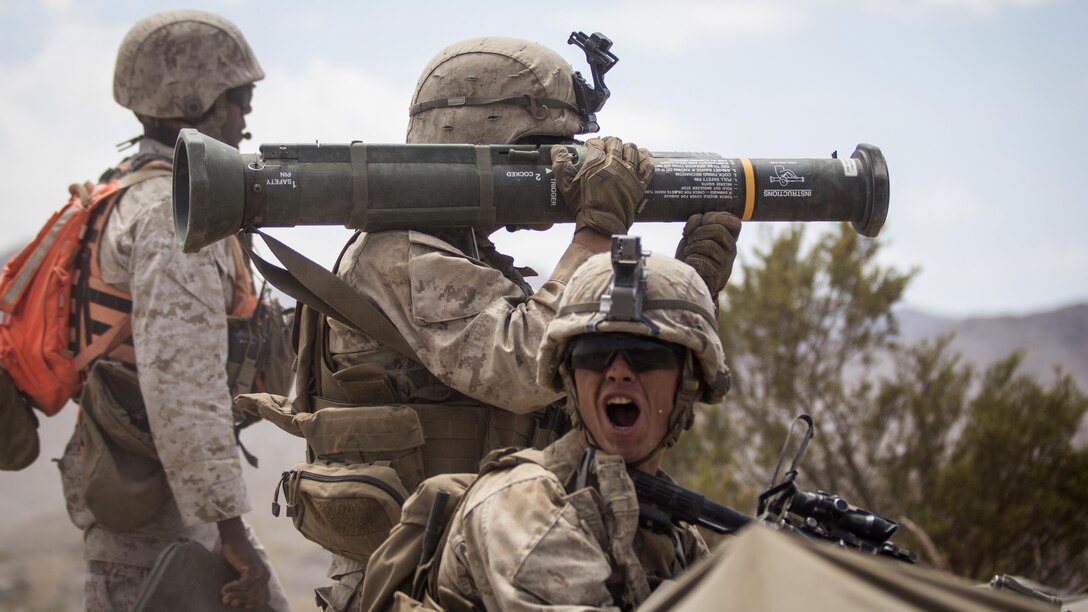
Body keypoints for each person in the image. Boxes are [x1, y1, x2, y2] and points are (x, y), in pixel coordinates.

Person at [54, 10, 289, 611]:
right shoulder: (172, 216)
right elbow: (182, 388)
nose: (246, 115)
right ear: (195, 101)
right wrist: (234, 535)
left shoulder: (125, 193)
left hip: (165, 516)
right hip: (161, 535)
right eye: (237, 97)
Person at [423, 241, 734, 610]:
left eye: (647, 355)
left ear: (692, 385)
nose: (619, 372)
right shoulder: (524, 504)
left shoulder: (671, 533)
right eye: (596, 355)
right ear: (569, 377)